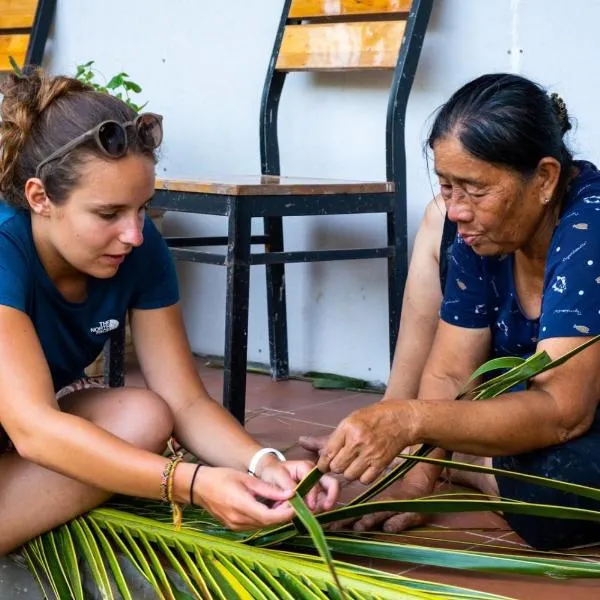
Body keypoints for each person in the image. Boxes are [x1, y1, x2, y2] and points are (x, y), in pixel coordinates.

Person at [0, 69, 338, 556]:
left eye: (142, 208)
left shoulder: (139, 248)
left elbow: (185, 401)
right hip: (22, 432)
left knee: (144, 415)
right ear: (40, 198)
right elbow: (34, 428)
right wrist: (191, 483)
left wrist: (264, 464)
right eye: (108, 214)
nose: (134, 234)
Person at [317, 73, 600, 551]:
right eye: (447, 186)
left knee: (556, 496)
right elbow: (450, 374)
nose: (456, 209)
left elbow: (562, 413)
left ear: (546, 179)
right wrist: (416, 480)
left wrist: (409, 422)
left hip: (575, 410)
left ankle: (472, 460)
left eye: (473, 188)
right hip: (538, 402)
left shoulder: (589, 225)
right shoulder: (476, 226)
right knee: (534, 477)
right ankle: (475, 458)